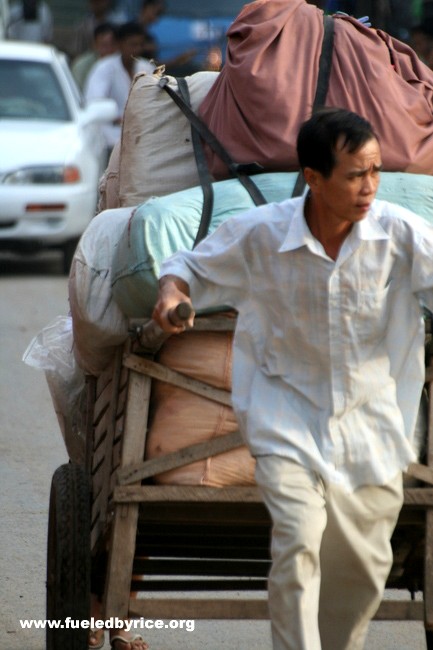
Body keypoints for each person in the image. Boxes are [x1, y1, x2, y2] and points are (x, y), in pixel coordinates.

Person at [152, 107, 433, 650]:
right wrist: (171, 293)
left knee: (364, 568)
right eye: (355, 174)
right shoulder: (260, 234)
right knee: (299, 543)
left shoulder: (400, 236)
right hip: (286, 418)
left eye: (375, 170)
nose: (369, 186)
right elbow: (187, 265)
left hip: (373, 427)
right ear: (313, 177)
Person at [84, 21, 155, 155]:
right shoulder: (103, 68)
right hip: (110, 139)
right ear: (120, 44)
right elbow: (94, 103)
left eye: (140, 45)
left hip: (142, 137)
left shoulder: (147, 68)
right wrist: (119, 119)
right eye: (133, 45)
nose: (137, 50)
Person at [71, 22, 117, 91]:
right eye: (104, 45)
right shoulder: (81, 66)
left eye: (112, 45)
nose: (109, 49)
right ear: (94, 45)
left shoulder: (122, 64)